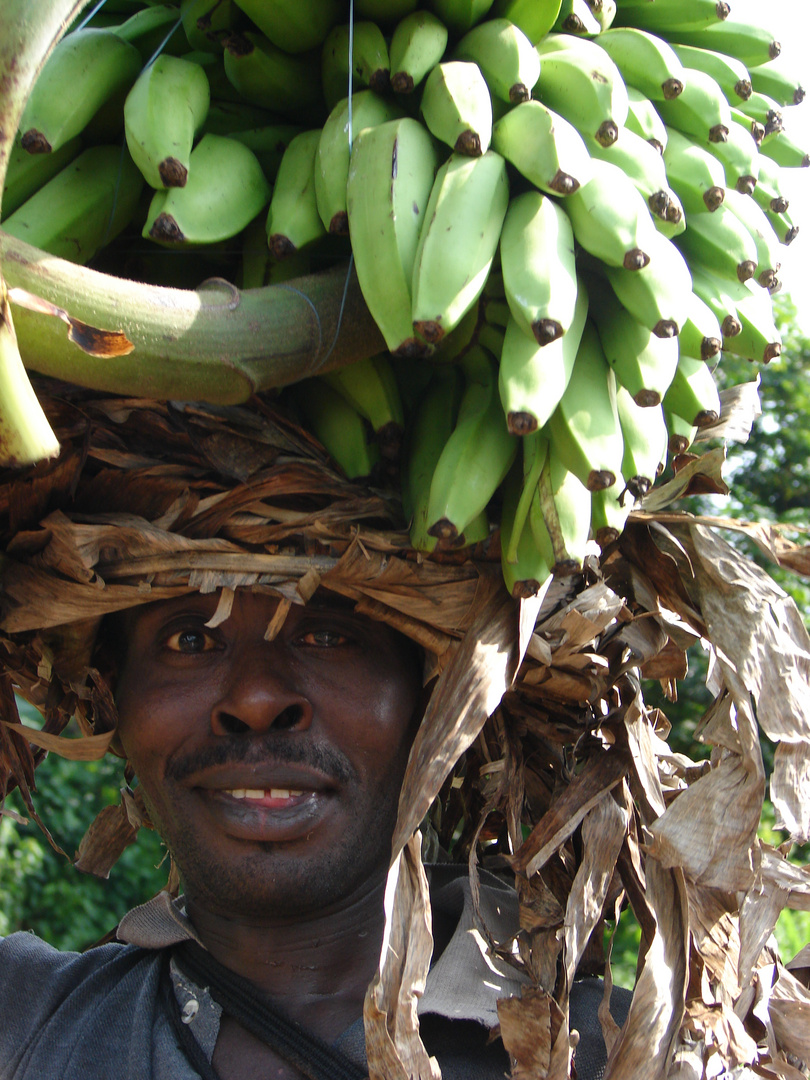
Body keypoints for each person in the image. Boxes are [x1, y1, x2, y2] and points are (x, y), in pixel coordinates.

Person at [0, 580, 629, 1080]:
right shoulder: (24, 1020)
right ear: (114, 700)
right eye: (189, 640)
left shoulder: (629, 1055)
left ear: (436, 697)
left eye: (328, 634)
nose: (255, 698)